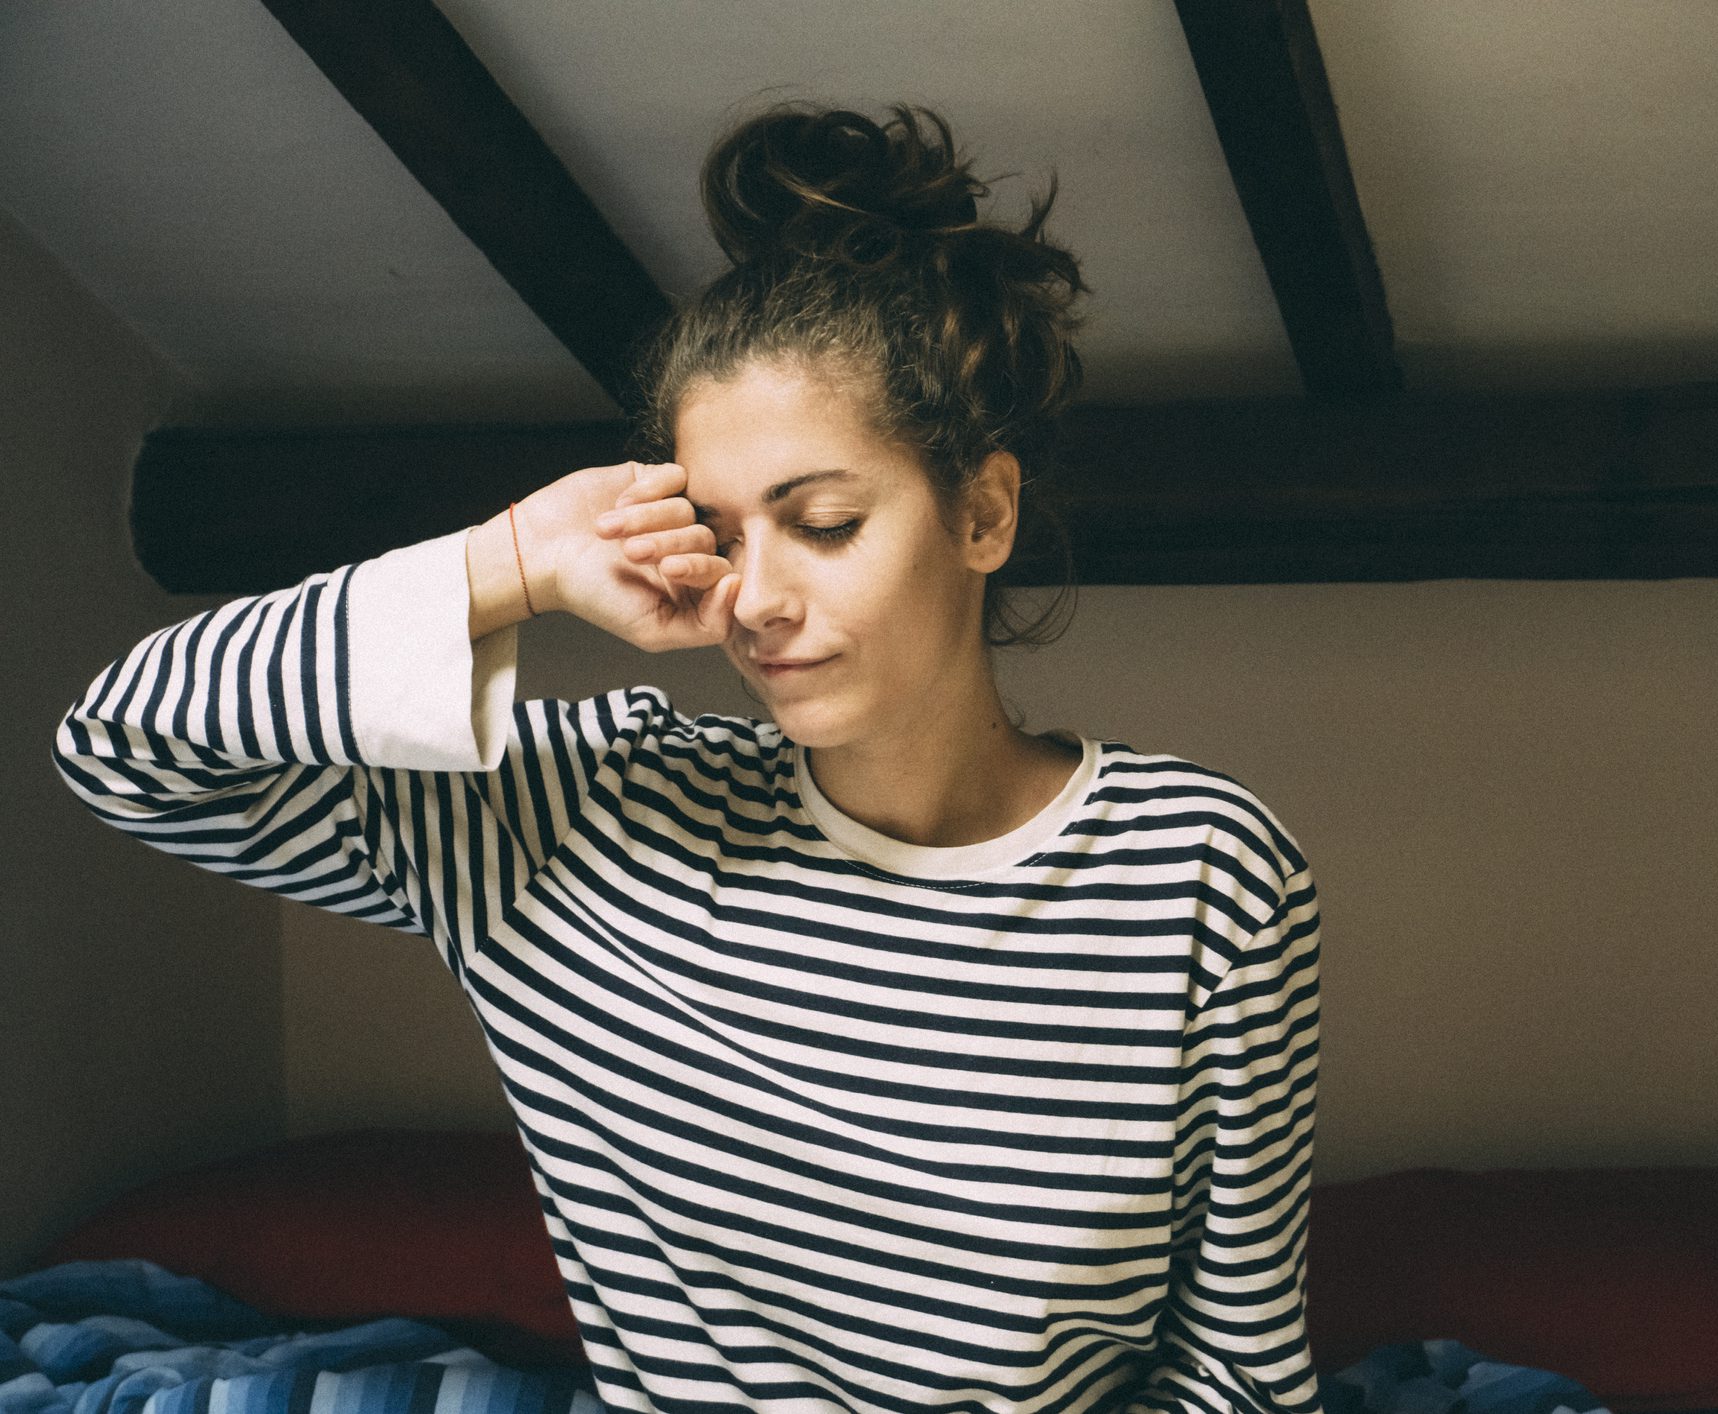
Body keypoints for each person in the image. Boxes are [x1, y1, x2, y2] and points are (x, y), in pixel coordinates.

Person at [52, 100, 1325, 1414]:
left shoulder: (1201, 873)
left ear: (982, 511)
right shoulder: (580, 817)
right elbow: (129, 745)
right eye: (716, 530)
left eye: (822, 521)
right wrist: (506, 564)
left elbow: (1237, 1374)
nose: (754, 597)